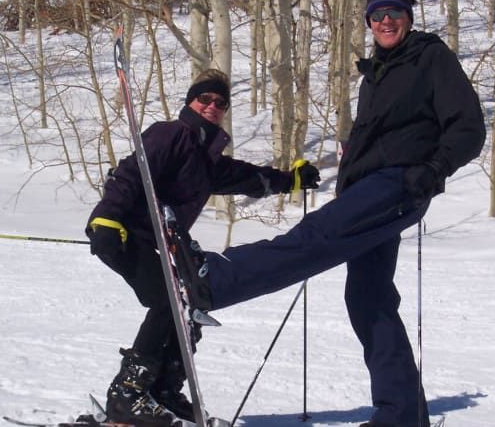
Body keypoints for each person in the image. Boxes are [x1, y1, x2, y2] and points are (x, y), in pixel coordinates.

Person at [182, 0, 485, 427]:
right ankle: (402, 418)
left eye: (394, 13)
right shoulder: (379, 72)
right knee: (368, 297)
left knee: (315, 238)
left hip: (398, 182)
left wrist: (431, 170)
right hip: (371, 186)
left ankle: (217, 280)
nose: (386, 21)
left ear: (409, 18)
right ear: (368, 21)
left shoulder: (430, 57)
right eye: (378, 15)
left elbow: (469, 127)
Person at [85, 69, 320, 426]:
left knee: (186, 305)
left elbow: (249, 178)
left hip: (153, 243)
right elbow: (131, 172)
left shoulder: (206, 159)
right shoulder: (171, 134)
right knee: (168, 301)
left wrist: (290, 181)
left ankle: (162, 390)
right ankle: (128, 394)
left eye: (220, 103)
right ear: (191, 102)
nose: (212, 106)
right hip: (121, 233)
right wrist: (106, 217)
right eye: (204, 99)